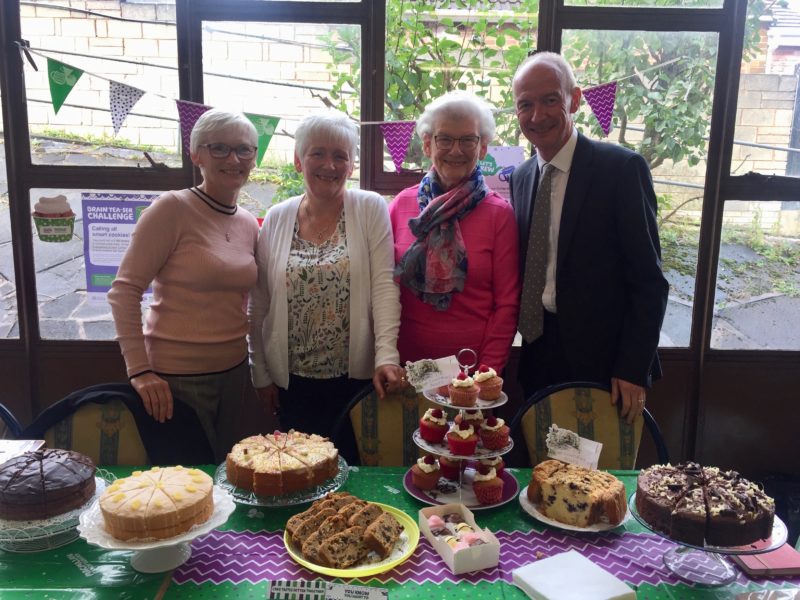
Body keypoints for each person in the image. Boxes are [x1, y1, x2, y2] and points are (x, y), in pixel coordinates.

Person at [509, 52, 669, 423]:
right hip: (537, 353)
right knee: (543, 469)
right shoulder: (520, 178)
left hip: (606, 365)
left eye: (550, 100)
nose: (537, 115)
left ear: (575, 99)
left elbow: (649, 281)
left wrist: (632, 367)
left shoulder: (621, 170)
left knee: (598, 476)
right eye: (525, 105)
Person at [248, 111, 404, 464]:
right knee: (298, 473)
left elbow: (384, 286)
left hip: (355, 381)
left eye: (340, 156)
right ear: (298, 161)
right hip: (292, 384)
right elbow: (259, 301)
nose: (329, 165)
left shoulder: (369, 208)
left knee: (354, 475)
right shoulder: (276, 217)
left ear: (351, 166)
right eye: (318, 153)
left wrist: (387, 357)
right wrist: (261, 373)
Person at [108, 108, 260, 461]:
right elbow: (124, 291)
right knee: (186, 484)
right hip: (176, 379)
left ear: (254, 157)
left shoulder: (248, 223)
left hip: (235, 372)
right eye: (219, 148)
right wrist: (140, 370)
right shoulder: (171, 209)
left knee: (222, 476)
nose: (233, 158)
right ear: (196, 155)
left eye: (244, 149)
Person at [390, 91, 520, 373]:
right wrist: (386, 360)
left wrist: (487, 374)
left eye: (468, 140)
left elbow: (507, 305)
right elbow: (384, 291)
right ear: (427, 144)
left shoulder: (500, 215)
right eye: (445, 139)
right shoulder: (401, 205)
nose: (456, 150)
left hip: (471, 373)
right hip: (404, 370)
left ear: (483, 147)